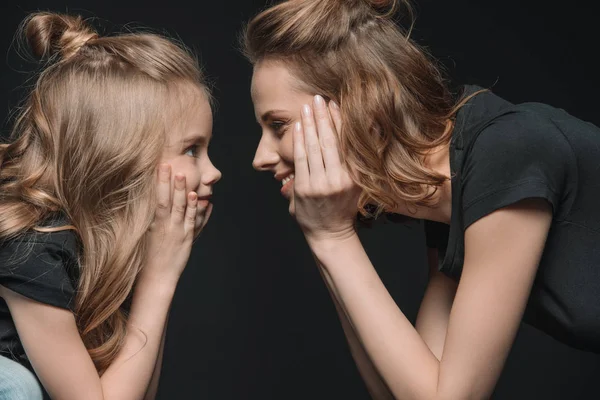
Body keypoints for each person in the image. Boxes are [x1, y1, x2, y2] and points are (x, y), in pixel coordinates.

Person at [245, 0, 600, 398]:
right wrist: (324, 237)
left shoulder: (508, 151)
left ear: (362, 106)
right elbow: (401, 389)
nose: (260, 158)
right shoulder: (453, 194)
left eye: (278, 125)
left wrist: (333, 237)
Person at [0, 12, 221, 399]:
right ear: (121, 158)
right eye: (192, 149)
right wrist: (159, 278)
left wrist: (157, 270)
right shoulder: (32, 252)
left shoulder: (94, 245)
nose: (214, 171)